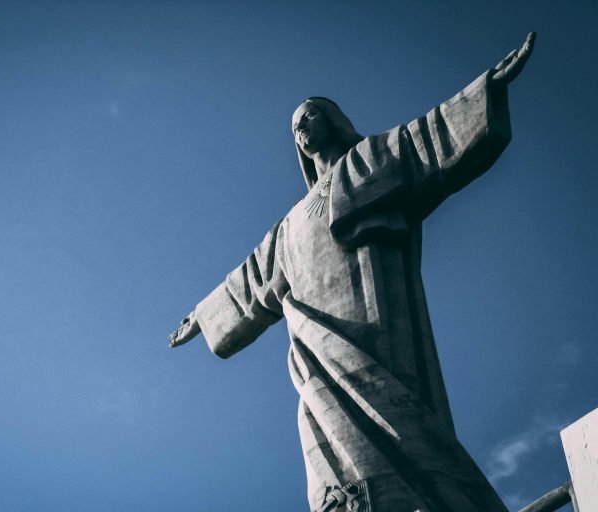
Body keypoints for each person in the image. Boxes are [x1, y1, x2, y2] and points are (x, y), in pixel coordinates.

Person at [170, 33, 536, 512]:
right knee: (328, 444)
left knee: (396, 414)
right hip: (316, 351)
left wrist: (487, 88)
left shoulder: (370, 161)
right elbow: (251, 280)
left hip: (376, 325)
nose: (302, 128)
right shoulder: (290, 225)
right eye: (295, 126)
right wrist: (203, 315)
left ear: (335, 122)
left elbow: (425, 140)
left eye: (310, 116)